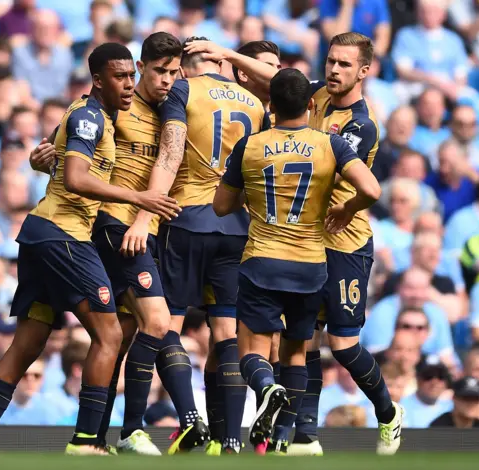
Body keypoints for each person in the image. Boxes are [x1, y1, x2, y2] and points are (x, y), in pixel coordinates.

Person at [0, 43, 180, 457]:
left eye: (131, 75)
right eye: (119, 76)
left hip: (40, 234)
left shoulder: (93, 115)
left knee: (28, 340)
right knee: (109, 333)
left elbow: (61, 163)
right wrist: (141, 198)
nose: (129, 84)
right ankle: (86, 441)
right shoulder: (91, 116)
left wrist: (47, 160)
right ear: (98, 79)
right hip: (63, 235)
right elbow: (76, 179)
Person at [185, 30, 402, 456]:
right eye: (331, 61)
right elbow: (278, 79)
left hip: (344, 241)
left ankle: (388, 413)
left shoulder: (360, 125)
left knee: (342, 345)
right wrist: (228, 54)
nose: (334, 70)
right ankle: (303, 433)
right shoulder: (316, 97)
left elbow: (354, 180)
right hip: (305, 243)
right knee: (305, 341)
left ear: (363, 71)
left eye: (343, 65)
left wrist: (349, 207)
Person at [30, 33, 203, 455]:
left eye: (174, 72)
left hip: (147, 228)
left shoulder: (171, 113)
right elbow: (61, 152)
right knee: (156, 323)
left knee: (122, 337)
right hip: (115, 225)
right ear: (140, 68)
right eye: (160, 71)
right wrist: (41, 158)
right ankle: (134, 429)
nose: (167, 80)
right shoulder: (111, 106)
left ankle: (96, 436)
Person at [123, 36, 267, 455]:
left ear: (184, 65)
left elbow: (169, 155)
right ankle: (233, 438)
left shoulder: (184, 90)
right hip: (238, 227)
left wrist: (146, 214)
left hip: (187, 219)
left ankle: (189, 417)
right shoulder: (252, 102)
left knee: (166, 322)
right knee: (227, 331)